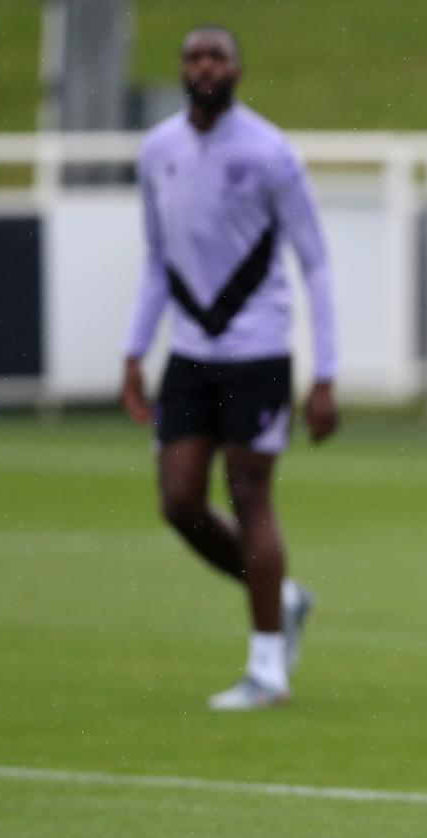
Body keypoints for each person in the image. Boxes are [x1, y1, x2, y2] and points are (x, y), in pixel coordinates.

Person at [120, 25, 339, 711]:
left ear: (237, 68)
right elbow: (157, 259)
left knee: (250, 495)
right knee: (179, 501)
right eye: (193, 56)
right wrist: (134, 351)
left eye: (217, 55)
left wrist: (324, 373)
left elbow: (316, 261)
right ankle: (284, 597)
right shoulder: (157, 151)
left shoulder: (270, 153)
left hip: (259, 351)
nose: (205, 66)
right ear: (182, 68)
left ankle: (267, 668)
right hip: (189, 355)